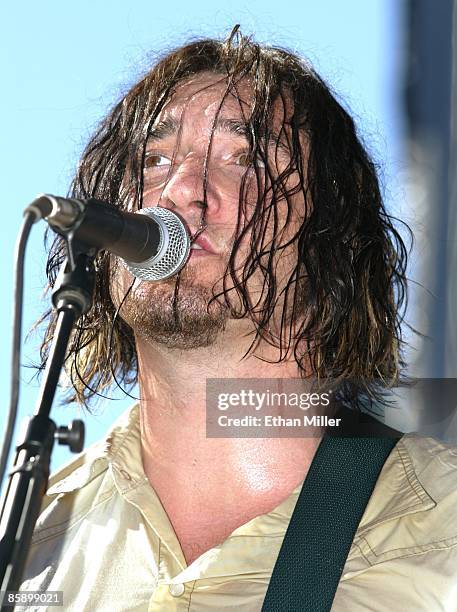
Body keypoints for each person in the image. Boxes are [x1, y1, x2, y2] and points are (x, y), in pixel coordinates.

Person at [20, 27, 457, 611]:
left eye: (244, 158)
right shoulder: (27, 550)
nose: (180, 191)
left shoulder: (442, 531)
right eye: (153, 159)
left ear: (335, 240)